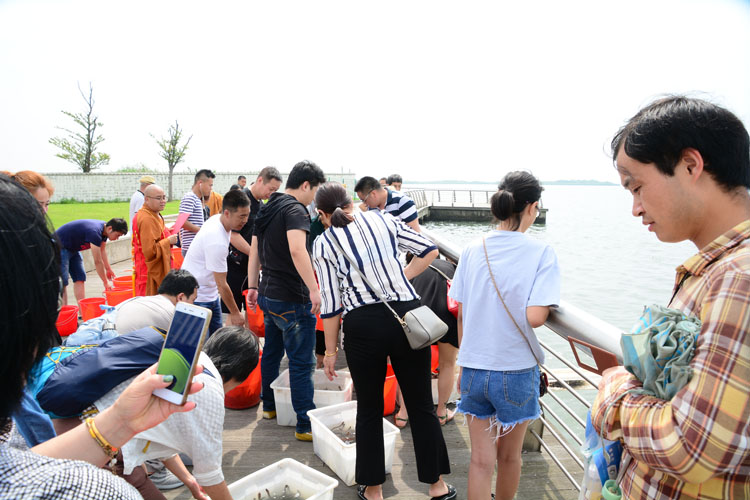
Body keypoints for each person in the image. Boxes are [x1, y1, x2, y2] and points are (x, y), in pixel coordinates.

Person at [0, 175, 203, 499]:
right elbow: (150, 252)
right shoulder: (92, 489)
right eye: (38, 207)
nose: (164, 202)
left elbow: (21, 464)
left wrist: (120, 422)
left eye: (46, 206)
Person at [591, 96, 750, 499]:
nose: (635, 208)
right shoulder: (718, 267)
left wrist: (613, 394)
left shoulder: (737, 277)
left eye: (637, 186)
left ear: (690, 166)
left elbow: (690, 446)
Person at [313, 182, 455, 500]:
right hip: (407, 316)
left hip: (363, 325)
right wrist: (400, 278)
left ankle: (374, 490)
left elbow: (332, 304)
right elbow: (429, 250)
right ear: (352, 200)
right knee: (420, 405)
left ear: (322, 213)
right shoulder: (383, 219)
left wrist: (331, 350)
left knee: (370, 408)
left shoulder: (323, 244)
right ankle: (437, 486)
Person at [449, 171, 560, 500]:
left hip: (473, 368)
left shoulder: (472, 249)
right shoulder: (542, 253)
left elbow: (461, 314)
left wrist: (460, 365)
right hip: (514, 370)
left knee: (481, 461)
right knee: (509, 457)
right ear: (532, 207)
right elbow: (536, 317)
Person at [246, 160, 326, 442]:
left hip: (268, 295)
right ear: (306, 185)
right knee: (302, 363)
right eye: (314, 191)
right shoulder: (295, 210)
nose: (314, 198)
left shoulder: (267, 207)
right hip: (292, 298)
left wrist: (253, 285)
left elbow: (254, 250)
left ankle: (269, 406)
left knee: (271, 353)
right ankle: (304, 422)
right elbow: (297, 249)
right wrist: (314, 290)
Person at [182, 189, 250, 335]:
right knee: (201, 346)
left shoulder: (218, 220)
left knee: (215, 341)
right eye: (241, 216)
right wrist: (236, 313)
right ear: (227, 213)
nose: (245, 220)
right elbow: (222, 284)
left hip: (210, 293)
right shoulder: (216, 240)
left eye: (247, 215)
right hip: (196, 298)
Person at [222, 167, 282, 315]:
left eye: (275, 190)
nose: (271, 193)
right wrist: (255, 255)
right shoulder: (240, 199)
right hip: (235, 266)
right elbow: (232, 234)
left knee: (252, 310)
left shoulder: (262, 205)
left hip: (252, 268)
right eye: (271, 188)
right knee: (233, 312)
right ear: (260, 180)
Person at [408, 256, 459, 426]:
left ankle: (403, 413)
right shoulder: (451, 266)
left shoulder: (413, 266)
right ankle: (441, 412)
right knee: (447, 365)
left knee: (408, 363)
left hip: (420, 315)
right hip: (447, 315)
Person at [56, 217, 128, 305]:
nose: (117, 238)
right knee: (63, 281)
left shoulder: (104, 231)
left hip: (73, 248)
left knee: (80, 277)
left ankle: (82, 311)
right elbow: (97, 261)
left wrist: (108, 269)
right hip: (60, 246)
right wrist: (105, 282)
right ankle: (65, 312)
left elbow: (102, 251)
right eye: (117, 235)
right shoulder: (95, 232)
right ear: (110, 229)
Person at [116, 269, 198, 335]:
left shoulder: (142, 300)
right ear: (180, 297)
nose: (193, 305)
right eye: (193, 300)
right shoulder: (173, 314)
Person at [133, 184, 178, 296]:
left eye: (164, 197)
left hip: (152, 270)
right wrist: (168, 241)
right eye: (158, 198)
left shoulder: (153, 214)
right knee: (150, 306)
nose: (163, 201)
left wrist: (167, 232)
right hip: (149, 273)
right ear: (146, 199)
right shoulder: (146, 218)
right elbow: (150, 251)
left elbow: (157, 235)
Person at [355, 176, 421, 232]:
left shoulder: (403, 202)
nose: (364, 203)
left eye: (364, 200)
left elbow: (416, 234)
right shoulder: (371, 207)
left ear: (373, 194)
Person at [179, 169, 215, 257]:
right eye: (210, 185)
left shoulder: (197, 200)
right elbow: (182, 222)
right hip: (191, 248)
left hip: (197, 246)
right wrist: (202, 231)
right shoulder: (190, 197)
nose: (211, 188)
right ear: (200, 183)